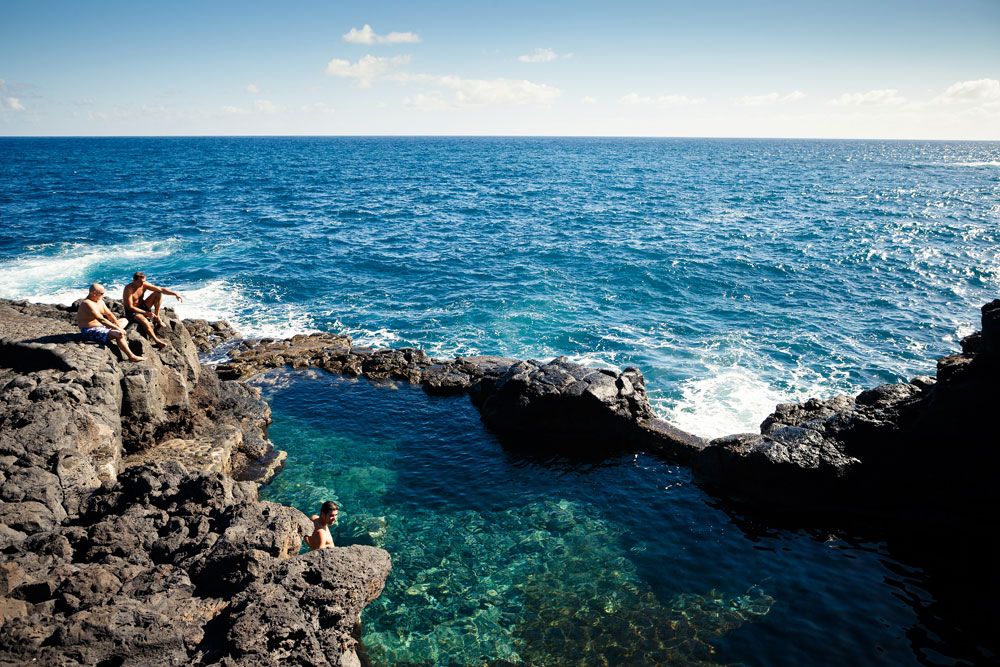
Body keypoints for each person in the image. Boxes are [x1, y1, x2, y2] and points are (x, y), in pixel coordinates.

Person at [76, 283, 144, 362]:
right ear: (94, 293)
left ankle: (112, 333)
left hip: (102, 327)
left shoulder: (99, 301)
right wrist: (117, 328)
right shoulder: (87, 303)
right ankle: (132, 356)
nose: (103, 295)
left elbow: (109, 314)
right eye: (101, 293)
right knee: (119, 334)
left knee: (125, 320)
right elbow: (101, 319)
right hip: (90, 330)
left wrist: (116, 324)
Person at [122, 272, 183, 349]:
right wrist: (146, 313)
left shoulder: (144, 284)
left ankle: (157, 317)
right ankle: (157, 341)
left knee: (158, 293)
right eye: (140, 282)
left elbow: (160, 289)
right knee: (144, 320)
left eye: (143, 282)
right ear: (134, 280)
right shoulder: (128, 289)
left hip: (142, 306)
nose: (142, 284)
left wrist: (175, 293)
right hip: (132, 311)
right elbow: (130, 307)